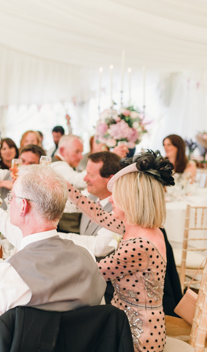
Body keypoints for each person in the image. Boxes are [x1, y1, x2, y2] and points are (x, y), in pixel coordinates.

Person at [0, 166, 106, 351]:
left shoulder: (4, 277)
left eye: (11, 197)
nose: (9, 203)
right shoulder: (88, 259)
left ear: (23, 206)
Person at [66, 151, 172, 352]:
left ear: (130, 198)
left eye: (116, 194)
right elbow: (97, 213)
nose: (111, 200)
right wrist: (66, 188)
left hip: (138, 335)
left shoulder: (140, 244)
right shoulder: (136, 227)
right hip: (122, 321)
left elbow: (92, 272)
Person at [0, 144, 46, 209]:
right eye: (23, 161)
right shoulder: (4, 174)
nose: (25, 165)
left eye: (31, 163)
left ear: (39, 166)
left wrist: (15, 187)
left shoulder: (41, 188)